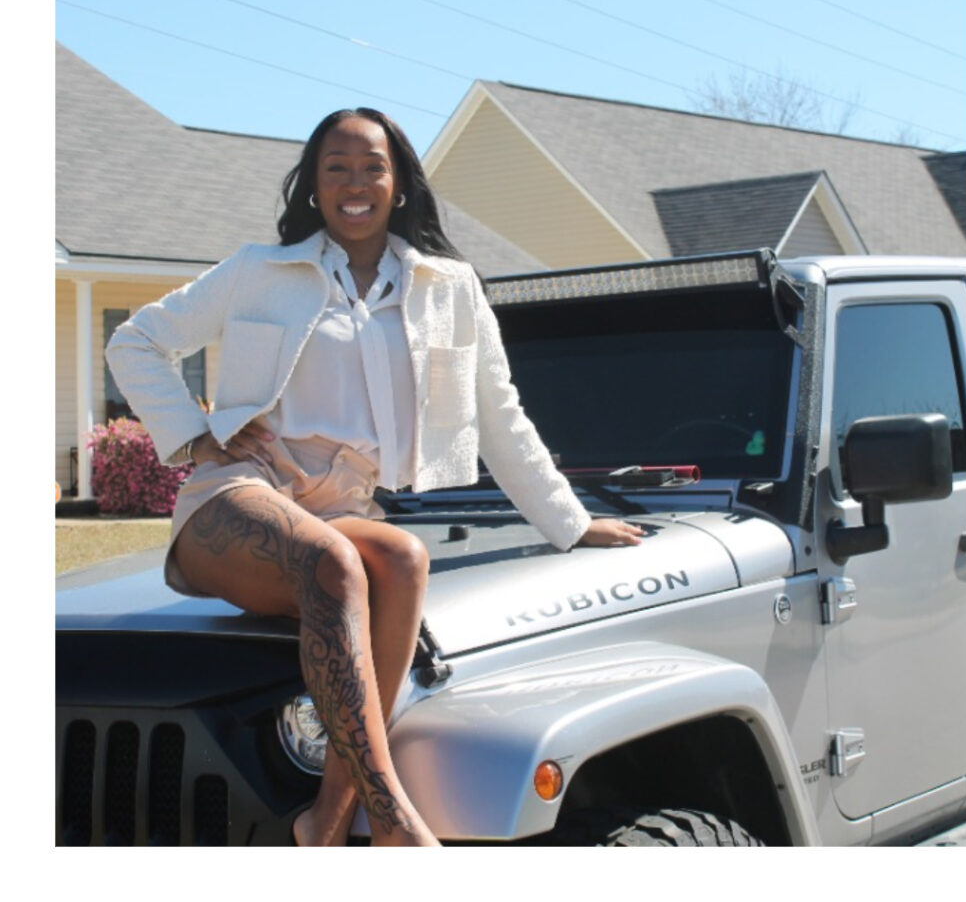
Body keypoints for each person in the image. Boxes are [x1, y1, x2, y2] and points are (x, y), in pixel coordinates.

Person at [106, 107, 645, 848]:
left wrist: (572, 521)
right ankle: (388, 811)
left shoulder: (449, 287)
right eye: (336, 168)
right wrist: (198, 438)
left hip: (341, 504)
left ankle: (324, 821)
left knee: (401, 558)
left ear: (399, 183)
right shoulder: (259, 271)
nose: (354, 183)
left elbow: (499, 412)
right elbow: (135, 342)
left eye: (372, 167)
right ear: (314, 184)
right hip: (236, 499)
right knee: (335, 564)